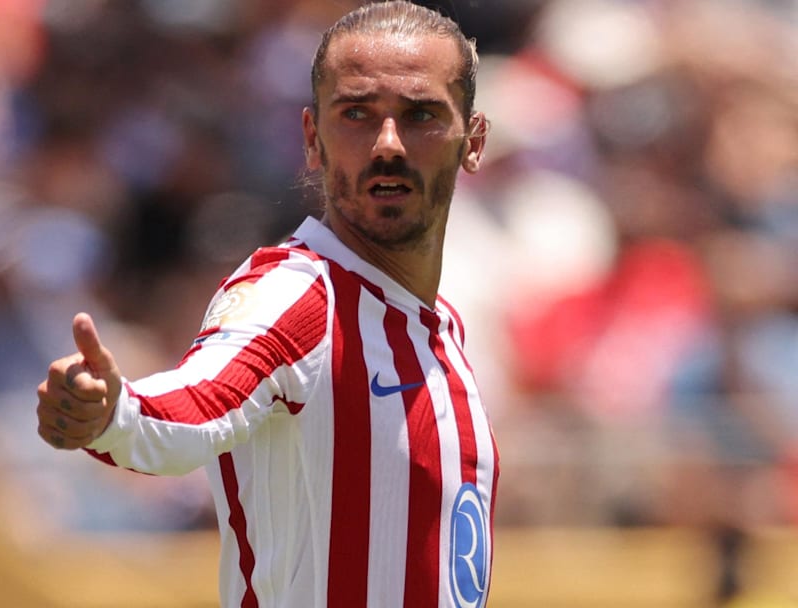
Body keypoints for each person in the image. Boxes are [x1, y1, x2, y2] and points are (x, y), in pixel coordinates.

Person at [35, 2, 498, 606]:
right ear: (312, 139)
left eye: (420, 115)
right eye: (356, 113)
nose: (388, 143)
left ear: (474, 140)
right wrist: (112, 413)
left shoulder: (444, 333)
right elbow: (195, 406)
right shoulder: (296, 296)